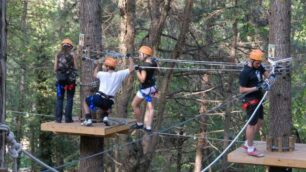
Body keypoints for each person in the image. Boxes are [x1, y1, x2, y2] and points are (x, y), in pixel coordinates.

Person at [82, 55, 134, 126]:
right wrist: (130, 58)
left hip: (99, 98)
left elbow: (94, 74)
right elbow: (131, 69)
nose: (104, 67)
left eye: (105, 66)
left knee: (85, 101)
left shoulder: (102, 74)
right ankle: (105, 117)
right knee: (105, 106)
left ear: (108, 67)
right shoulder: (119, 74)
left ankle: (88, 119)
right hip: (109, 101)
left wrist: (97, 65)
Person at [239, 49, 272, 157]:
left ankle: (247, 143)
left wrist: (273, 76)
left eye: (260, 63)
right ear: (251, 60)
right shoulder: (245, 72)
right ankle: (250, 148)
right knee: (252, 124)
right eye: (257, 63)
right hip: (250, 100)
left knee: (260, 122)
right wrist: (257, 87)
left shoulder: (259, 66)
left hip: (259, 99)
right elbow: (242, 90)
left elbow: (268, 76)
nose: (259, 65)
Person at [131, 46, 158, 133]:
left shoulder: (144, 66)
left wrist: (136, 70)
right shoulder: (153, 63)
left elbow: (142, 79)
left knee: (134, 105)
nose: (139, 56)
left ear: (145, 55)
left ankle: (139, 124)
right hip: (153, 88)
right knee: (150, 108)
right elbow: (158, 71)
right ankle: (148, 127)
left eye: (140, 54)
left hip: (145, 89)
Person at [54, 38, 78, 123]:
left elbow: (55, 69)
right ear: (70, 46)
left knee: (59, 99)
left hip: (60, 80)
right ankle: (68, 119)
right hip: (70, 81)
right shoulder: (73, 54)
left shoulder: (58, 54)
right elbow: (75, 67)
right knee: (69, 98)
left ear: (62, 46)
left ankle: (58, 119)